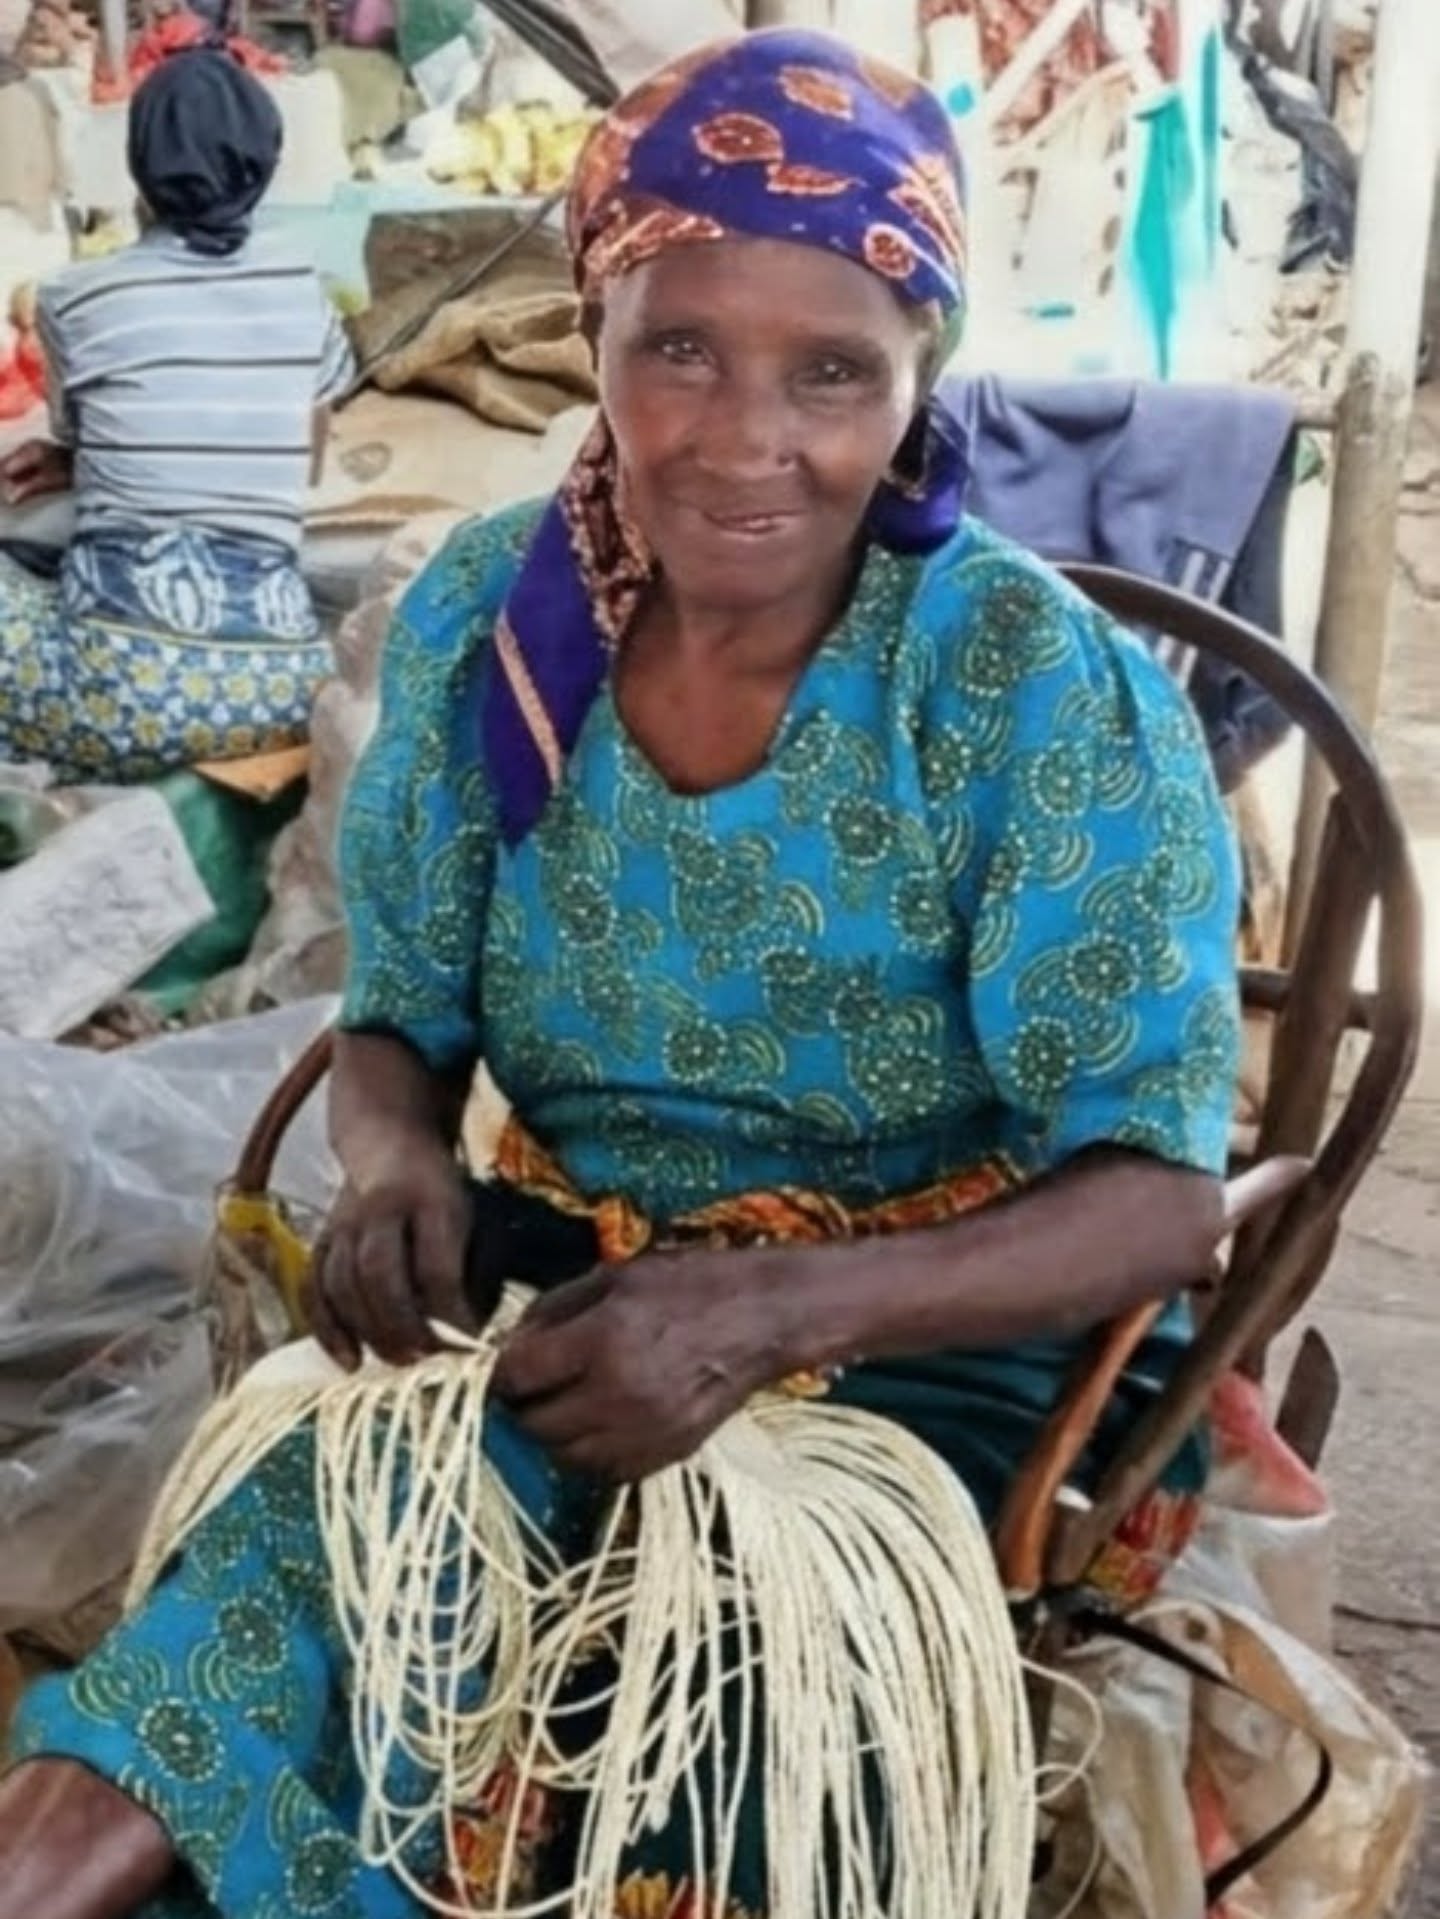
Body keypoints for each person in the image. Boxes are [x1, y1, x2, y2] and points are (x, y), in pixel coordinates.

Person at [0, 29, 1240, 1919]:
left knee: (694, 1741)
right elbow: (399, 1020)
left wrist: (764, 1310)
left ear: (920, 377)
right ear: (595, 328)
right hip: (577, 1293)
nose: (746, 440)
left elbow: (1156, 1194)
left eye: (833, 371)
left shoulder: (1024, 684)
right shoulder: (492, 619)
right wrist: (398, 1165)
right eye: (682, 350)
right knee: (206, 1691)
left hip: (943, 1334)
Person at [0, 45, 353, 783]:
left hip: (117, 696)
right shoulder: (307, 294)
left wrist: (75, 460)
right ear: (265, 162)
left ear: (139, 165)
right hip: (283, 693)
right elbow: (309, 450)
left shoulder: (75, 297)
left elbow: (97, 430)